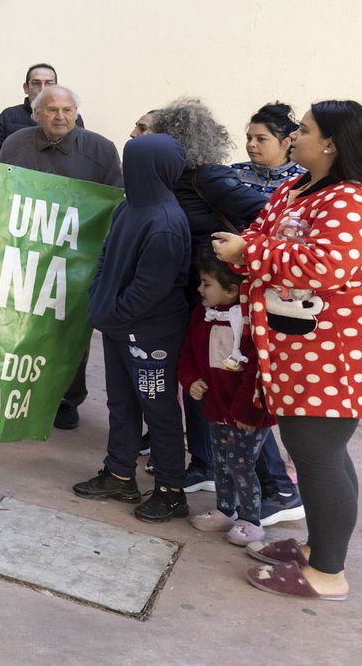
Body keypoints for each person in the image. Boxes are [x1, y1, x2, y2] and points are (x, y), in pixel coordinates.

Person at [213, 100, 362, 602]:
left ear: (331, 143)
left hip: (335, 355)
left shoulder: (356, 200)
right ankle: (316, 547)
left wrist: (248, 253)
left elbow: (323, 266)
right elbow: (262, 234)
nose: (293, 136)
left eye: (303, 130)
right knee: (315, 450)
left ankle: (328, 573)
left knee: (319, 456)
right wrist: (247, 250)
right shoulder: (297, 188)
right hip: (297, 351)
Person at [148, 99, 301, 523]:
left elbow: (265, 217)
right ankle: (206, 465)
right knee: (202, 384)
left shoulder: (209, 177)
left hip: (224, 298)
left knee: (235, 390)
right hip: (196, 297)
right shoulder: (172, 179)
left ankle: (279, 488)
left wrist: (228, 265)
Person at [71, 133, 192, 523]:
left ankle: (171, 490)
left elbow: (149, 290)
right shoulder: (130, 208)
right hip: (118, 326)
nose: (125, 169)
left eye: (132, 162)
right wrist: (99, 302)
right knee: (120, 403)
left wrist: (112, 313)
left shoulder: (166, 223)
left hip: (150, 335)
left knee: (158, 411)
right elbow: (106, 256)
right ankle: (120, 474)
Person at [0, 85, 122, 430]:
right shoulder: (15, 144)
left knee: (69, 332)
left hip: (76, 261)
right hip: (25, 256)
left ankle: (68, 397)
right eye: (51, 110)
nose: (60, 116)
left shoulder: (100, 150)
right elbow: (1, 193)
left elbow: (113, 204)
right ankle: (23, 391)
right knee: (20, 326)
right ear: (36, 113)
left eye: (67, 110)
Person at [179, 250, 276, 547]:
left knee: (241, 464)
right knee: (221, 462)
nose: (200, 289)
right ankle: (225, 510)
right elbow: (188, 354)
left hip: (248, 415)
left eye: (207, 284)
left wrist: (248, 413)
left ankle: (251, 519)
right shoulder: (201, 316)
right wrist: (191, 379)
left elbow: (260, 369)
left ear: (233, 289)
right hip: (216, 408)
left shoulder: (253, 322)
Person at [0, 62, 81, 161]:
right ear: (26, 88)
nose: (43, 89)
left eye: (49, 84)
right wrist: (24, 159)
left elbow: (80, 152)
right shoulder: (8, 116)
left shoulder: (71, 117)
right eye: (36, 83)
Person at [232, 102, 306, 194]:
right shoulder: (232, 174)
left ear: (286, 143)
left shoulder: (305, 181)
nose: (251, 144)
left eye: (261, 139)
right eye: (249, 138)